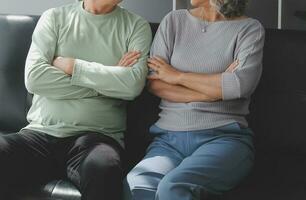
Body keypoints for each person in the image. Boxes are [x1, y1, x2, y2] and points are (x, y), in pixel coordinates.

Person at [0, 0, 151, 199]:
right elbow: (35, 78)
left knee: (104, 168)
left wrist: (73, 67)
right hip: (41, 133)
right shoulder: (54, 17)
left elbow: (131, 85)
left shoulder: (136, 26)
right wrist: (107, 85)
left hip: (97, 137)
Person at [124, 0, 265, 199]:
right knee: (136, 187)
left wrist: (177, 76)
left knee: (172, 188)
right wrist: (214, 90)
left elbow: (240, 85)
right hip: (168, 141)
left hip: (224, 138)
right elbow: (155, 83)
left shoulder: (249, 29)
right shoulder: (174, 21)